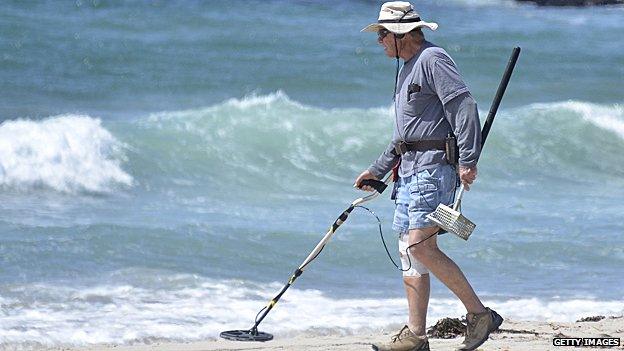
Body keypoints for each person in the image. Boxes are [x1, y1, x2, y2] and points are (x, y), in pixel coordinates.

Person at [354, 2, 502, 351]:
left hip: (434, 171)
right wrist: (377, 170)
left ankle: (480, 315)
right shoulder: (407, 68)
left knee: (421, 245)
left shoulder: (433, 60)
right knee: (409, 249)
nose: (379, 42)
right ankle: (415, 337)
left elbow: (463, 106)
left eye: (382, 35)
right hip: (409, 172)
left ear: (400, 35)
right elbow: (405, 134)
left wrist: (468, 160)